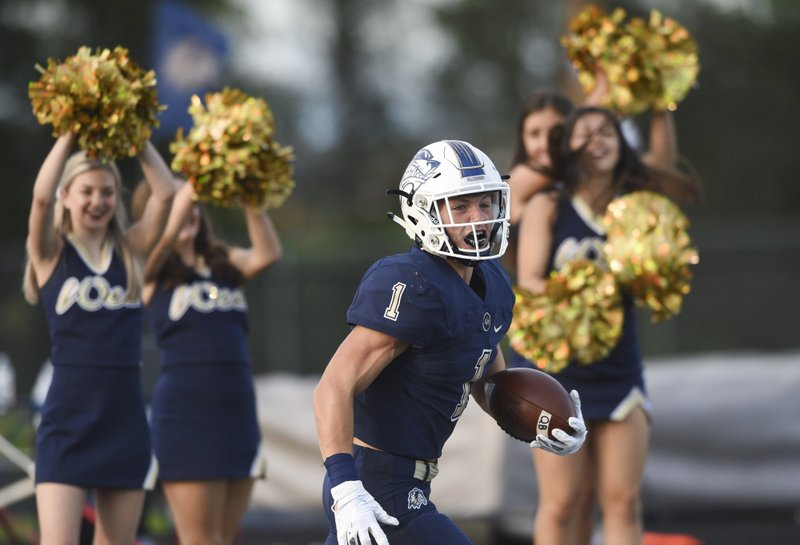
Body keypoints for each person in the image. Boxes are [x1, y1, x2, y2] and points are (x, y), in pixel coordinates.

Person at [312, 139, 588, 545]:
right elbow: (333, 387)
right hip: (374, 482)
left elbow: (487, 378)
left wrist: (541, 423)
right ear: (423, 210)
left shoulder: (490, 282)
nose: (476, 218)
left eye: (484, 204)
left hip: (411, 481)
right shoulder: (411, 284)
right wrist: (345, 488)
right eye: (459, 206)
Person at [514, 106, 700, 545]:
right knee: (563, 502)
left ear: (622, 145)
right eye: (585, 133)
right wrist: (583, 299)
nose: (597, 141)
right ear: (569, 145)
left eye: (607, 133)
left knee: (622, 500)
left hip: (619, 372)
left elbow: (665, 163)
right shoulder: (549, 204)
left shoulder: (635, 209)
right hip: (559, 374)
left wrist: (661, 102)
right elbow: (529, 281)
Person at [23, 132, 176, 545]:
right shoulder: (51, 253)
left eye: (107, 192)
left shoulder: (132, 250)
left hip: (123, 421)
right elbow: (38, 200)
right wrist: (70, 133)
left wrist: (137, 134)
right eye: (86, 191)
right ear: (66, 197)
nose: (97, 200)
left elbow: (165, 193)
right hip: (67, 422)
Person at [134, 178, 282, 545]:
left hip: (237, 414)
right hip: (187, 417)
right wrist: (197, 177)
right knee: (200, 540)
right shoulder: (148, 272)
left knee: (224, 538)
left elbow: (267, 253)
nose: (187, 210)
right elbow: (166, 238)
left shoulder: (223, 262)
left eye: (193, 202)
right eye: (176, 204)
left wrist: (252, 197)